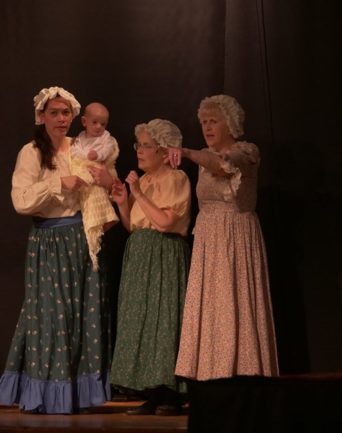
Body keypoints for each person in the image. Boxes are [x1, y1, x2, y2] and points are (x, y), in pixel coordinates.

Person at [0, 86, 112, 414]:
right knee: (51, 317)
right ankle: (47, 393)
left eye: (66, 113)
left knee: (82, 315)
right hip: (49, 240)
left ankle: (79, 395)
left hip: (81, 237)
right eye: (55, 113)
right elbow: (20, 200)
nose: (62, 119)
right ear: (42, 116)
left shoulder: (80, 147)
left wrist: (105, 178)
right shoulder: (31, 152)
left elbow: (108, 177)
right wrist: (58, 183)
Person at [170, 94, 279, 380]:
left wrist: (189, 153)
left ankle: (244, 371)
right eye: (203, 122)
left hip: (236, 235)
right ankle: (211, 374)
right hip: (209, 237)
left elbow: (222, 163)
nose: (207, 127)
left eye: (213, 121)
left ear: (229, 124)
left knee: (236, 302)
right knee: (212, 305)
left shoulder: (247, 152)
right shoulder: (204, 159)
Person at [110, 119, 191, 416]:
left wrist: (139, 195)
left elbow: (167, 222)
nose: (140, 151)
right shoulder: (142, 181)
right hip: (141, 254)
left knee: (164, 319)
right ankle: (151, 392)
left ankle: (171, 392)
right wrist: (123, 202)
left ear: (162, 150)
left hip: (164, 254)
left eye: (146, 145)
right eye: (139, 145)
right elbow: (135, 226)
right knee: (141, 320)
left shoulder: (176, 178)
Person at [70, 102, 120, 270]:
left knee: (99, 192)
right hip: (85, 169)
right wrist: (84, 158)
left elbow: (109, 150)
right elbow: (75, 152)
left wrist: (97, 154)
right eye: (95, 122)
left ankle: (104, 219)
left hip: (100, 167)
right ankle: (95, 224)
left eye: (103, 124)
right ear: (84, 121)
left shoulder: (106, 137)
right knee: (83, 182)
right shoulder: (80, 138)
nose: (99, 127)